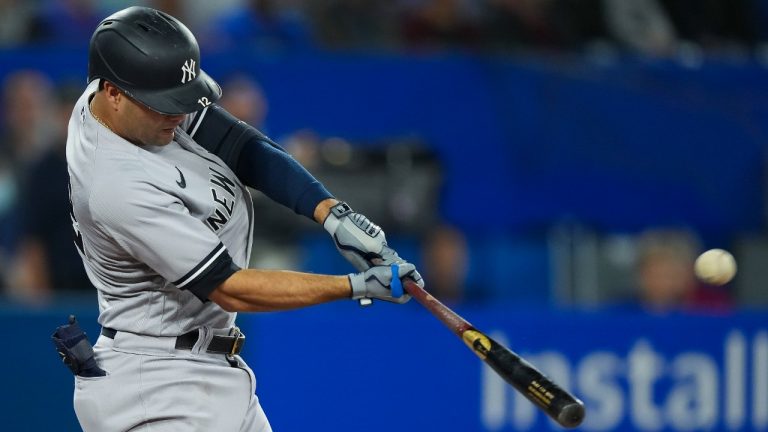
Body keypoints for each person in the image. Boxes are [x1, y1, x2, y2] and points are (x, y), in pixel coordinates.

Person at [64, 7, 422, 431]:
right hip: (156, 386)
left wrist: (332, 215)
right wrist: (354, 286)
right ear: (113, 92)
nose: (178, 115)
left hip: (200, 368)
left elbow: (240, 145)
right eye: (163, 105)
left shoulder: (121, 100)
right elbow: (230, 288)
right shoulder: (114, 184)